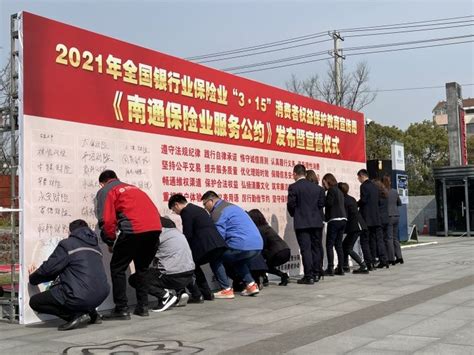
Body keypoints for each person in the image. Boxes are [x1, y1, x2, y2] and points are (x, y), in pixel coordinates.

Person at [96, 170, 161, 319]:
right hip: (155, 229)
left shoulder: (107, 190)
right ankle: (143, 307)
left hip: (134, 230)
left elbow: (106, 219)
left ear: (102, 183)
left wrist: (110, 240)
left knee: (117, 268)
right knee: (142, 268)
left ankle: (122, 309)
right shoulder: (134, 188)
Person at [29, 219, 110, 331]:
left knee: (35, 302)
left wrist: (33, 278)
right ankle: (93, 314)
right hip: (102, 294)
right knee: (83, 287)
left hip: (79, 295)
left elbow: (49, 269)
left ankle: (74, 316)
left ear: (71, 231)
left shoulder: (67, 244)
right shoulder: (96, 247)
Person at [201, 191, 263, 298]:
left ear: (210, 201)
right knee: (239, 261)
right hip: (257, 246)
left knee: (215, 257)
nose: (205, 208)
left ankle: (226, 289)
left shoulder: (217, 212)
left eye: (205, 204)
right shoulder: (232, 207)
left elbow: (218, 238)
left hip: (241, 245)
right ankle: (251, 285)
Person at [168, 193, 227, 302]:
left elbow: (188, 233)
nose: (175, 212)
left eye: (173, 209)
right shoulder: (198, 209)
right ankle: (219, 290)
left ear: (176, 205)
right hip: (217, 242)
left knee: (192, 265)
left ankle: (201, 294)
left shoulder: (186, 212)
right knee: (214, 262)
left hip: (207, 245)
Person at [128, 217, 196, 312]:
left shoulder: (157, 235)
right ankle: (181, 292)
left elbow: (145, 257)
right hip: (190, 275)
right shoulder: (177, 233)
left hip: (173, 276)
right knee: (159, 267)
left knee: (135, 279)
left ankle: (165, 296)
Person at [287, 164, 325, 285]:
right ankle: (317, 273)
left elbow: (291, 205)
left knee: (306, 249)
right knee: (316, 248)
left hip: (302, 222)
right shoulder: (318, 188)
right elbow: (321, 205)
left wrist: (295, 214)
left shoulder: (294, 187)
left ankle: (308, 276)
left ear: (295, 174)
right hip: (316, 222)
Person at [248, 209, 291, 286]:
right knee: (266, 265)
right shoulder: (266, 227)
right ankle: (273, 277)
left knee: (263, 265)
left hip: (277, 252)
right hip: (286, 250)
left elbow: (261, 246)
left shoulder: (260, 229)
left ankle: (281, 276)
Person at [357, 169, 389, 269]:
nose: (358, 179)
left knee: (364, 241)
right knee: (376, 240)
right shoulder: (374, 186)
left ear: (362, 176)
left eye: (358, 177)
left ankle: (369, 262)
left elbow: (364, 200)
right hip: (376, 218)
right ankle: (381, 260)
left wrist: (356, 204)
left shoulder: (364, 186)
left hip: (367, 218)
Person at [338, 182, 369, 274]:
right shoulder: (351, 198)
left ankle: (363, 265)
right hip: (358, 225)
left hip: (355, 226)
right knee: (345, 246)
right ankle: (345, 265)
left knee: (348, 248)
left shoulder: (343, 200)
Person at [322, 173, 347, 276]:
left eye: (323, 182)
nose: (323, 185)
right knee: (338, 245)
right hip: (343, 219)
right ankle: (341, 268)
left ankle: (330, 268)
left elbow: (329, 204)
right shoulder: (340, 191)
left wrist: (323, 198)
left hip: (335, 219)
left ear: (327, 181)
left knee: (329, 245)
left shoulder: (331, 190)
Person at [383, 174, 404, 265]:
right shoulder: (395, 192)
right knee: (395, 238)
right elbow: (399, 203)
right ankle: (399, 257)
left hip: (389, 216)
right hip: (396, 215)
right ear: (390, 182)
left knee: (389, 238)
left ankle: (391, 258)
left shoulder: (383, 193)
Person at [374, 179, 390, 269]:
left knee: (379, 240)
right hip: (386, 219)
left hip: (379, 220)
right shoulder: (385, 195)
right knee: (384, 240)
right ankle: (386, 259)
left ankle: (383, 260)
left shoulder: (378, 196)